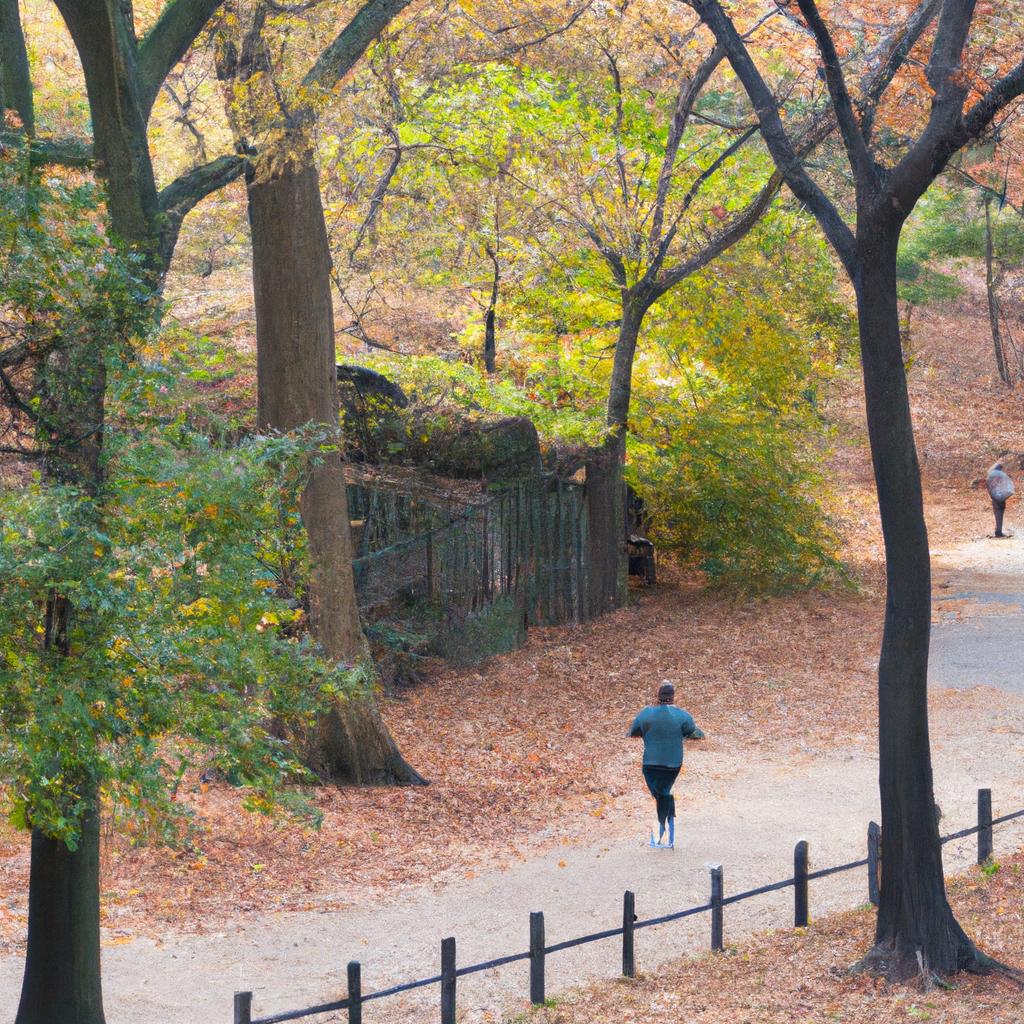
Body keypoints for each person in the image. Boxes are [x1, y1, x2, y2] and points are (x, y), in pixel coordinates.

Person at [629, 682, 704, 849]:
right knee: (663, 793)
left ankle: (662, 835)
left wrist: (648, 731)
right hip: (673, 764)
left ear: (658, 696)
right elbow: (696, 734)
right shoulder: (682, 715)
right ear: (673, 697)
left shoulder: (646, 713)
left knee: (660, 794)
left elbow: (633, 732)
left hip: (650, 763)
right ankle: (667, 830)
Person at [986, 461, 1015, 538]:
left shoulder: (990, 475)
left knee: (998, 516)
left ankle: (998, 531)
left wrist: (994, 496)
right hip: (1000, 498)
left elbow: (989, 487)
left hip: (996, 498)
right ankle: (998, 532)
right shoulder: (1000, 475)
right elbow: (1007, 486)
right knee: (999, 516)